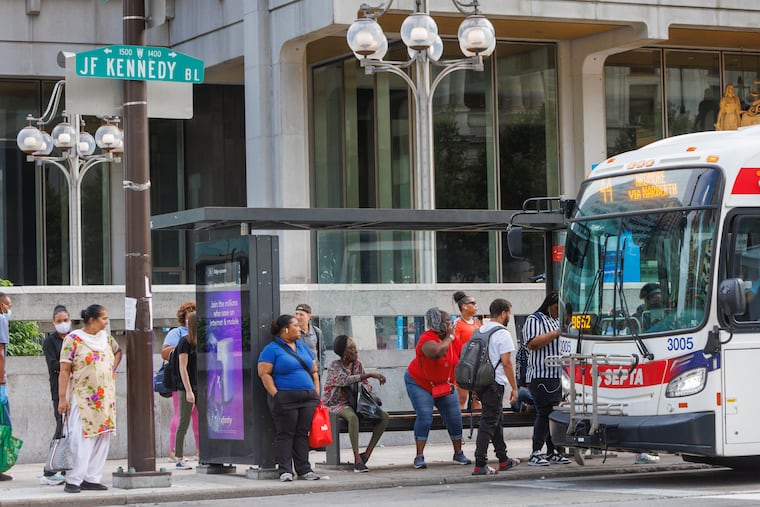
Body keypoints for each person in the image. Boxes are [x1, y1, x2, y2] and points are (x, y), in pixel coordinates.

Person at [58, 304, 122, 494]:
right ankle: (73, 479)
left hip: (105, 398)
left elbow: (118, 352)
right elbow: (64, 370)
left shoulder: (106, 339)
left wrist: (111, 369)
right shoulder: (74, 339)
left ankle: (92, 478)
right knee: (81, 438)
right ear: (92, 319)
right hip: (83, 397)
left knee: (102, 437)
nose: (106, 322)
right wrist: (63, 398)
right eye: (104, 318)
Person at [404, 307, 472, 469]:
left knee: (455, 416)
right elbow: (436, 352)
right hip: (420, 383)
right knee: (425, 416)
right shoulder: (426, 339)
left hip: (444, 384)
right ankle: (419, 456)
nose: (451, 323)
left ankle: (458, 453)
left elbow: (462, 359)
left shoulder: (454, 340)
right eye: (448, 321)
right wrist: (450, 336)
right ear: (438, 324)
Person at [257, 314, 321, 482]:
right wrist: (276, 395)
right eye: (295, 325)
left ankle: (304, 470)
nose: (299, 328)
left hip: (308, 398)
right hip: (285, 398)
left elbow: (314, 371)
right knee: (286, 433)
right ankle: (285, 470)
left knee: (302, 433)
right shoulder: (272, 349)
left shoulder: (303, 347)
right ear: (285, 329)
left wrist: (316, 392)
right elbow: (264, 374)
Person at [322, 335, 388, 472]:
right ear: (344, 353)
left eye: (355, 348)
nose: (356, 351)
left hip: (356, 403)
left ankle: (367, 454)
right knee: (352, 417)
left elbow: (365, 384)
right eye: (352, 349)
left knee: (384, 416)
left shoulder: (357, 364)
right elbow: (344, 380)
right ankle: (357, 459)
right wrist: (369, 375)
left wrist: (366, 387)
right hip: (335, 404)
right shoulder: (334, 366)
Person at [471, 298, 520, 475]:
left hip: (480, 382)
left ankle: (503, 459)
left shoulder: (480, 330)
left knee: (496, 419)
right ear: (503, 313)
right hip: (494, 382)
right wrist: (514, 388)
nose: (509, 316)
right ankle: (480, 464)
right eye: (509, 313)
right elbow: (507, 363)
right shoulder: (502, 333)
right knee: (488, 422)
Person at [523, 291, 571, 466]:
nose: (559, 312)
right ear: (549, 304)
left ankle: (553, 451)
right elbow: (533, 343)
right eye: (557, 307)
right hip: (541, 375)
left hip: (558, 375)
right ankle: (536, 451)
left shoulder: (557, 320)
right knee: (544, 412)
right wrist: (557, 332)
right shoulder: (535, 320)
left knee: (555, 413)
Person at [161, 302, 199, 464]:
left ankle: (199, 450)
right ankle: (174, 451)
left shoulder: (200, 336)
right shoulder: (178, 335)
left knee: (197, 417)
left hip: (196, 381)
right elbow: (165, 353)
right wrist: (178, 350)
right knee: (181, 416)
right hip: (182, 382)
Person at [39, 305, 71, 486]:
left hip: (76, 389)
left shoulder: (75, 338)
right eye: (59, 321)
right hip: (59, 389)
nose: (63, 324)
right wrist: (69, 365)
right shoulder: (50, 342)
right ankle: (49, 469)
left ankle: (66, 466)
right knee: (61, 427)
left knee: (70, 430)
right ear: (54, 323)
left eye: (65, 320)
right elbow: (53, 364)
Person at [174, 311, 199, 471]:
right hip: (186, 387)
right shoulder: (185, 342)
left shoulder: (200, 341)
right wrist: (189, 391)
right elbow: (182, 368)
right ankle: (178, 457)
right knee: (184, 421)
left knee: (205, 420)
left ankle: (205, 453)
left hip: (199, 386)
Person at [452, 291, 482, 410]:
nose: (476, 306)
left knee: (477, 398)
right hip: (463, 365)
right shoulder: (457, 324)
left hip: (478, 365)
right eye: (473, 303)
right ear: (464, 306)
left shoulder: (477, 322)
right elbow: (455, 345)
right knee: (462, 399)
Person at [0, 292, 13, 481]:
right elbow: (0, 352)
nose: (10, 309)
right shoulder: (1, 319)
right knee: (4, 425)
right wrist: (2, 381)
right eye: (8, 305)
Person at [295, 303, 324, 370]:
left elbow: (322, 352)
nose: (297, 317)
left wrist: (320, 369)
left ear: (309, 316)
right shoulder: (292, 332)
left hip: (314, 372)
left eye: (301, 314)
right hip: (299, 371)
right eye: (296, 314)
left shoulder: (316, 332)